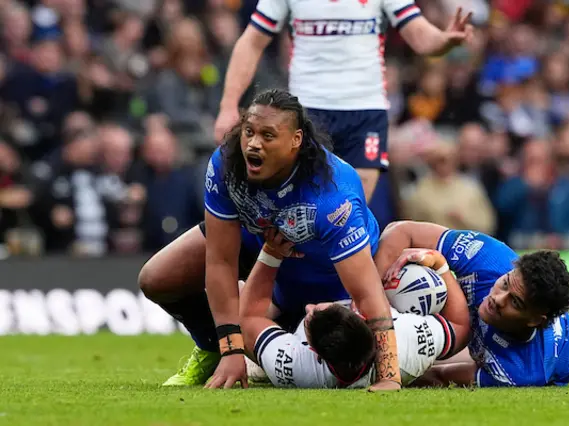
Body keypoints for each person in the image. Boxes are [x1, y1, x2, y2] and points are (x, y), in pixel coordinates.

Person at [139, 89, 401, 391]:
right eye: (249, 131)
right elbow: (220, 259)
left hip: (327, 279)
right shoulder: (226, 164)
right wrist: (230, 348)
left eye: (268, 135)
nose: (253, 143)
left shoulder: (332, 193)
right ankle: (214, 348)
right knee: (157, 277)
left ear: (296, 140)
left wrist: (389, 377)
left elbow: (367, 293)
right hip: (262, 246)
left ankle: (279, 329)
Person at [214, 2, 474, 203]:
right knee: (301, 208)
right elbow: (251, 41)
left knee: (351, 210)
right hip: (307, 112)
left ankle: (331, 273)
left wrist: (444, 40)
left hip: (365, 111)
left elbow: (420, 35)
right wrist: (228, 106)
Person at [239, 230, 470, 388]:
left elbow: (248, 318)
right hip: (399, 344)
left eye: (311, 315)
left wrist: (271, 253)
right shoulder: (410, 341)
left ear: (314, 351)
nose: (309, 306)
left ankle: (235, 357)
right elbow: (460, 326)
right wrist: (439, 264)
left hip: (286, 318)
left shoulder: (296, 365)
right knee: (416, 279)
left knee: (235, 295)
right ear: (364, 316)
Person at [374, 221, 569, 387]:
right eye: (505, 283)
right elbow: (401, 231)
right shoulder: (490, 257)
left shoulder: (520, 370)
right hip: (484, 328)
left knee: (425, 353)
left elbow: (439, 376)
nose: (498, 299)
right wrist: (372, 305)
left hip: (556, 361)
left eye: (515, 302)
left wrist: (383, 366)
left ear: (535, 320)